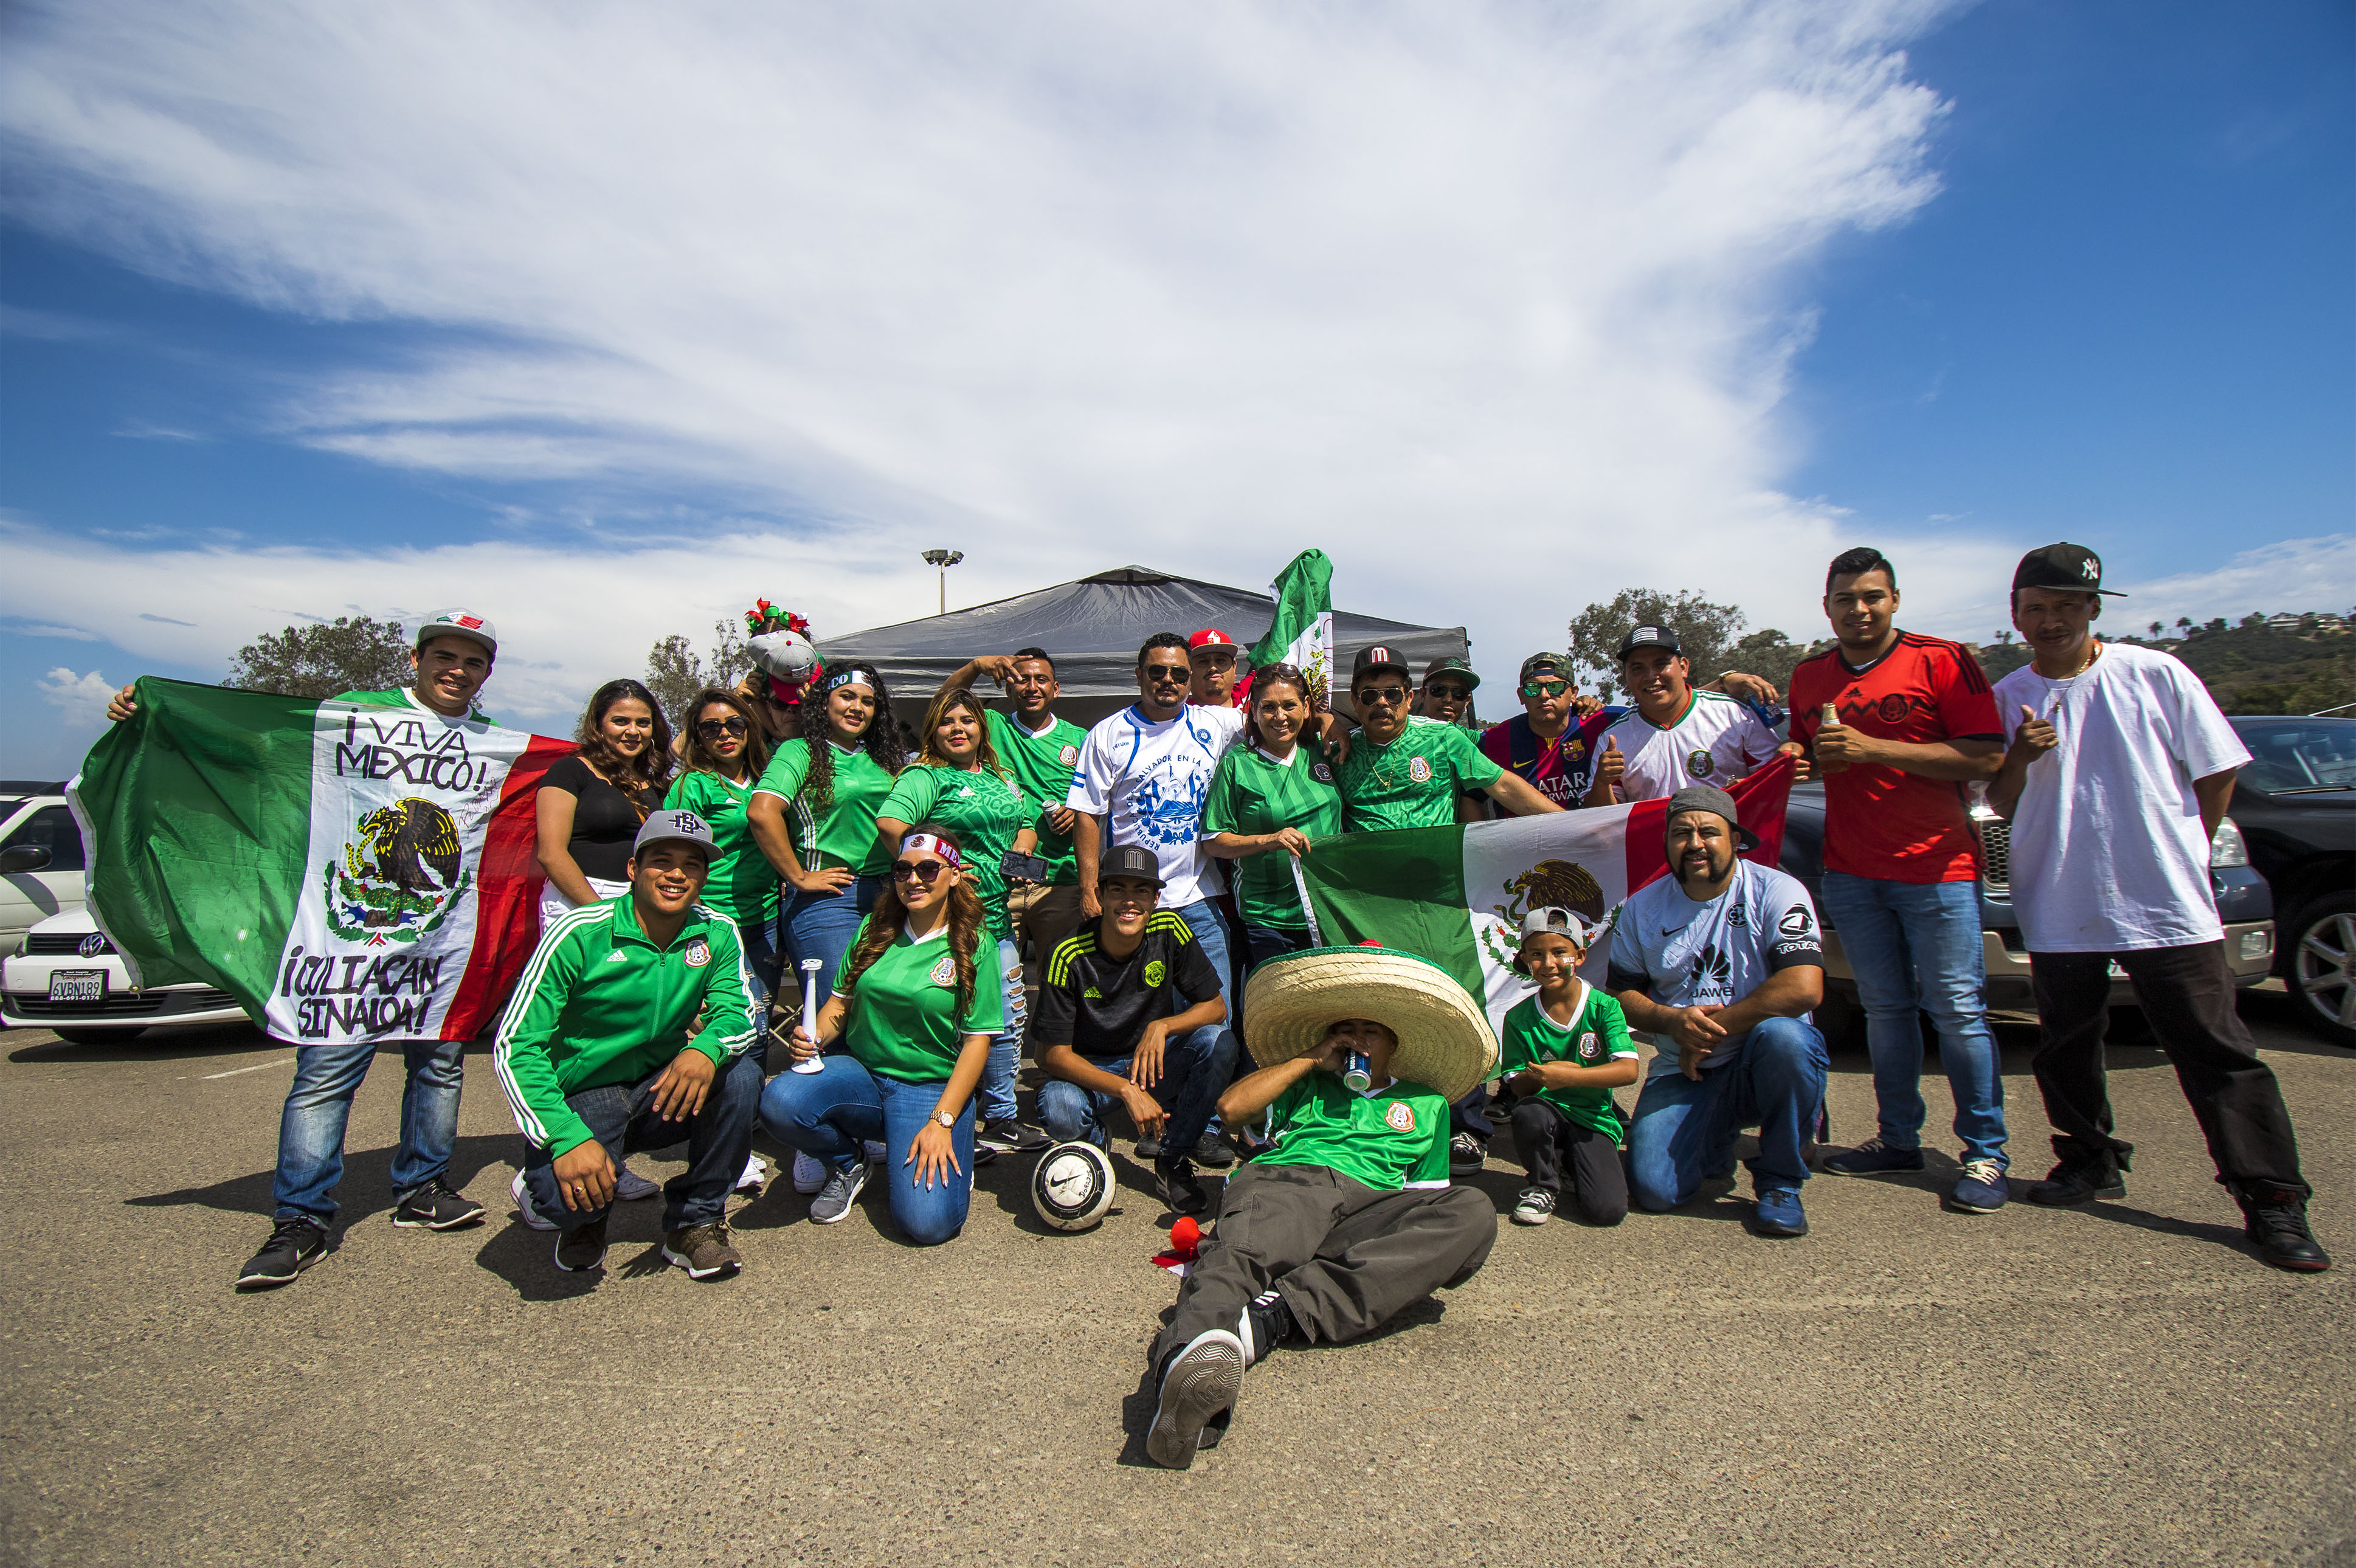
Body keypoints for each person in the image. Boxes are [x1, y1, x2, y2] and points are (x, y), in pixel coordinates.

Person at [100, 610, 500, 1291]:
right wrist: (156, 714)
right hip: (345, 938)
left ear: (485, 672)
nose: (456, 669)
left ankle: (423, 1188)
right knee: (326, 1072)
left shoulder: (491, 739)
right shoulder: (354, 713)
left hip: (440, 935)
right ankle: (301, 1217)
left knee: (438, 1066)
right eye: (444, 655)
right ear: (416, 658)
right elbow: (256, 743)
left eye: (472, 661)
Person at [1988, 543, 2328, 1271]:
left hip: (2162, 899)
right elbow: (1996, 800)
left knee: (2215, 1048)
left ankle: (2270, 1198)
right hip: (2057, 895)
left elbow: (2215, 770)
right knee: (2065, 1043)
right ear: (2015, 616)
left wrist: (2183, 846)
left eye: (2064, 606)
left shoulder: (2154, 672)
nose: (2049, 620)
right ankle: (2087, 1156)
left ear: (2092, 609)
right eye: (2035, 608)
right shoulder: (2007, 693)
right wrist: (2018, 753)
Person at [1143, 944, 1499, 1470]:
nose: (1355, 1038)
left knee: (1473, 1211)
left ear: (1394, 1042)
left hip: (1374, 1206)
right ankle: (1184, 1378)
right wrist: (1310, 1057)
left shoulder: (1426, 1102)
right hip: (1293, 1182)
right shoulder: (1303, 1079)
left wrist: (1410, 1242)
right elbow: (1231, 1108)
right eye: (1345, 1027)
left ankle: (1274, 1315)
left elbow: (1427, 1197)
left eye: (1368, 1030)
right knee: (1236, 1259)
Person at [1784, 548, 2011, 1214]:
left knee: (1958, 1011)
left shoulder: (1942, 660)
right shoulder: (1810, 676)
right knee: (1884, 1010)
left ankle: (1985, 1151)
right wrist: (1798, 761)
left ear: (1894, 599)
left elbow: (1987, 754)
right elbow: (1815, 755)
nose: (1859, 610)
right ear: (1826, 606)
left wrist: (1871, 748)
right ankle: (1897, 1138)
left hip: (1937, 867)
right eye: (1846, 599)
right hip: (1852, 870)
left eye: (1872, 597)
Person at [495, 810, 764, 1280]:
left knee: (740, 1075)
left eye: (692, 864)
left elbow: (738, 1012)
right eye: (662, 860)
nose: (677, 873)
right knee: (566, 1201)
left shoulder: (717, 929)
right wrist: (565, 1136)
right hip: (585, 1094)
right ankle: (571, 1208)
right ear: (633, 870)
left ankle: (694, 1224)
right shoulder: (580, 931)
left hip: (660, 1087)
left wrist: (704, 1049)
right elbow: (516, 1046)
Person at [1328, 643, 1561, 1174]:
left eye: (1392, 693)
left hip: (1441, 903)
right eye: (1369, 695)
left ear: (1409, 697)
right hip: (1371, 909)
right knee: (1384, 1009)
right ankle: (1385, 1117)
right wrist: (1327, 722)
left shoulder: (1443, 739)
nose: (1381, 703)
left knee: (1456, 1007)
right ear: (1355, 701)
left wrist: (1570, 827)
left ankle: (1468, 1128)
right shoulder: (1339, 753)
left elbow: (1502, 785)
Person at [759, 826, 1003, 1245]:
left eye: (928, 868)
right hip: (865, 1077)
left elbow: (977, 1042)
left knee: (927, 1226)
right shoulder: (875, 928)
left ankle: (951, 1144)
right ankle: (849, 1161)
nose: (914, 879)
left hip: (929, 1089)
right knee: (781, 1100)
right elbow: (839, 1006)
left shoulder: (975, 943)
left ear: (955, 874)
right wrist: (813, 1036)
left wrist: (942, 1122)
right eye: (903, 869)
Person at [1611, 786, 1829, 1238]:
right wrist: (1672, 1022)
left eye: (1708, 832)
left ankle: (1780, 1179)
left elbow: (1803, 988)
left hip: (1757, 1056)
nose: (1694, 844)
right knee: (1655, 1190)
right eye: (1680, 834)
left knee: (1787, 1040)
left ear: (1735, 838)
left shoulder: (1778, 889)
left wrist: (1704, 1031)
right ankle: (1713, 1138)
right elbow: (1621, 994)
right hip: (1685, 1068)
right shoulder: (1641, 907)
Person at [1068, 634, 1251, 1167]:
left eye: (1177, 673)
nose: (1167, 681)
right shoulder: (1109, 734)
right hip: (1133, 905)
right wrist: (1088, 887)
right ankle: (1155, 1118)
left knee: (1213, 1023)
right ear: (1139, 675)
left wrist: (1338, 731)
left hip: (1198, 897)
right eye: (1156, 672)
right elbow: (1086, 812)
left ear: (1191, 677)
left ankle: (1208, 1124)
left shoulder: (1217, 724)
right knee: (1147, 1021)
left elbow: (1283, 715)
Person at [875, 687, 1050, 1156]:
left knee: (1006, 1019)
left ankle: (1001, 1118)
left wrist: (1022, 851)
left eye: (967, 720)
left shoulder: (1000, 774)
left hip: (996, 918)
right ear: (934, 727)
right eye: (948, 720)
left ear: (981, 727)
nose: (958, 728)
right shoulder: (925, 775)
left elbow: (1026, 819)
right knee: (953, 1020)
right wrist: (934, 868)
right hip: (946, 924)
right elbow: (892, 825)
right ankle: (953, 1117)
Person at [1034, 844, 1240, 1215]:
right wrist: (1127, 1091)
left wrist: (1162, 1026)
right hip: (1093, 1072)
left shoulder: (1170, 930)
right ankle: (1095, 1144)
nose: (1130, 902)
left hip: (1153, 1066)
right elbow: (1049, 1055)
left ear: (1157, 898)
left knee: (1219, 1042)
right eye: (1118, 889)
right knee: (1059, 1107)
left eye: (1141, 891)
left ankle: (1173, 1158)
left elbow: (1216, 1007)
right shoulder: (1065, 952)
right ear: (1099, 894)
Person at [665, 686, 784, 1200]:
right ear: (696, 735)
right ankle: (725, 1143)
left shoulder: (766, 777)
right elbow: (675, 854)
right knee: (733, 1024)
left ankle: (742, 1123)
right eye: (709, 727)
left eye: (734, 724)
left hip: (767, 917)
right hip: (713, 921)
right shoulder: (695, 784)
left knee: (758, 1021)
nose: (724, 735)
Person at [747, 662, 907, 1012]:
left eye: (867, 701)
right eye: (846, 697)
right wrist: (798, 876)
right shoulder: (799, 751)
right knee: (837, 1014)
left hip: (892, 895)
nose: (857, 708)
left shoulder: (886, 759)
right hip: (830, 900)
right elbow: (762, 811)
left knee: (884, 1009)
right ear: (823, 703)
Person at [934, 648, 1091, 984]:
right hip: (996, 883)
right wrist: (976, 665)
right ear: (1007, 687)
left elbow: (1104, 800)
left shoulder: (1083, 739)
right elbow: (944, 703)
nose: (1032, 687)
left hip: (1060, 882)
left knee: (1063, 985)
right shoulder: (991, 726)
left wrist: (1079, 812)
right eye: (1022, 680)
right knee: (988, 981)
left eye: (1041, 679)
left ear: (1056, 688)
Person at [1498, 908, 1638, 1228]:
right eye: (1537, 955)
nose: (1548, 964)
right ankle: (1541, 1185)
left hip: (1593, 1117)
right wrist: (1539, 1077)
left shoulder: (1605, 1007)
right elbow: (1515, 1085)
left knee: (1607, 1211)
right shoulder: (1518, 1017)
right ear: (1524, 960)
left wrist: (1569, 1076)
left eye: (1560, 952)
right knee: (1528, 1113)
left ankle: (1574, 1164)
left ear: (1580, 955)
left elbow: (1628, 1071)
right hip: (1547, 1110)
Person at [1202, 662, 1344, 972]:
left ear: (1306, 708)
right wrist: (1269, 840)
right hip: (1266, 918)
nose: (1280, 717)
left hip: (1329, 909)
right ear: (1253, 712)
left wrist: (1330, 720)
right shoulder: (1236, 765)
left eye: (1289, 705)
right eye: (1268, 707)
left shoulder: (1323, 750)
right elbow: (1213, 841)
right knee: (1278, 1011)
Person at [1585, 628, 1787, 806]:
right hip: (1653, 848)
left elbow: (1778, 779)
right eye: (1638, 668)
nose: (1651, 676)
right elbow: (1603, 818)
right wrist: (1602, 784)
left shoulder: (1733, 713)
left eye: (1661, 664)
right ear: (1626, 678)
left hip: (1732, 845)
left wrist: (1748, 788)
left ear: (1683, 667)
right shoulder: (1613, 738)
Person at [537, 679, 672, 922]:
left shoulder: (656, 784)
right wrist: (600, 913)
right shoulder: (570, 770)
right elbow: (551, 854)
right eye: (620, 721)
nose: (633, 731)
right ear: (598, 725)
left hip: (639, 902)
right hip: (577, 902)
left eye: (643, 723)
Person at [1478, 653, 1587, 814]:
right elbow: (1471, 797)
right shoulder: (1493, 741)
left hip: (1593, 838)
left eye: (1555, 687)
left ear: (1574, 693)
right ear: (1521, 696)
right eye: (1533, 689)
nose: (1544, 695)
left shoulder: (1602, 724)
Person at [1187, 628, 1246, 708]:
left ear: (1234, 666)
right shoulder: (1175, 714)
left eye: (1221, 660)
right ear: (1188, 669)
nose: (1213, 668)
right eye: (1203, 661)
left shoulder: (1252, 699)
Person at [1417, 656, 1480, 729]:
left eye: (1459, 693)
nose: (1448, 700)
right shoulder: (1405, 736)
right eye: (1439, 690)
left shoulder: (1474, 739)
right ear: (1423, 695)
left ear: (1467, 701)